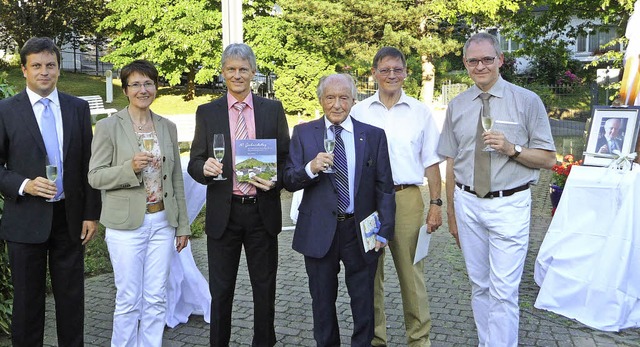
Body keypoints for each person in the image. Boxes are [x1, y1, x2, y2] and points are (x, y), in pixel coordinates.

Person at [437, 32, 556, 347]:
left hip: (509, 206)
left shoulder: (527, 101)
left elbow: (548, 159)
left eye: (487, 59)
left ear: (500, 60)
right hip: (467, 204)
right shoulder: (458, 105)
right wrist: (451, 214)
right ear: (465, 64)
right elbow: (451, 163)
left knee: (503, 291)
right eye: (473, 61)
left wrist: (512, 148)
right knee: (479, 286)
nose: (480, 66)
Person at [0, 37, 101, 346]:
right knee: (28, 305)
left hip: (69, 220)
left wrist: (91, 215)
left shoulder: (77, 108)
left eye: (50, 65)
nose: (44, 72)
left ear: (58, 69)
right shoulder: (5, 110)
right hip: (25, 220)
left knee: (71, 302)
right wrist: (24, 185)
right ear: (24, 70)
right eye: (37, 66)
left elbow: (88, 165)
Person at [188, 43, 290, 347]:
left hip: (262, 211)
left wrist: (276, 182)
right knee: (220, 292)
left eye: (243, 69)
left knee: (264, 288)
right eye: (231, 69)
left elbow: (285, 160)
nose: (237, 75)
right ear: (223, 73)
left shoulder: (273, 110)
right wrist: (203, 168)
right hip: (225, 212)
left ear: (253, 73)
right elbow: (194, 161)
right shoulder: (207, 112)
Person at [283, 73, 396, 346]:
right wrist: (310, 168)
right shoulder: (303, 133)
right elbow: (288, 179)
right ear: (321, 100)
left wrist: (385, 230)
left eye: (343, 98)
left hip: (360, 232)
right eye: (330, 98)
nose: (336, 104)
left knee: (363, 302)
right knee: (322, 302)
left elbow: (384, 186)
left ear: (353, 100)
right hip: (319, 231)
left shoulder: (373, 136)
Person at [88, 59, 190, 346]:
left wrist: (182, 225)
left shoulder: (167, 127)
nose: (143, 90)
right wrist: (128, 168)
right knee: (129, 299)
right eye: (135, 84)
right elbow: (94, 176)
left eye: (148, 83)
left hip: (162, 223)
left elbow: (176, 180)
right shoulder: (109, 126)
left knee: (157, 297)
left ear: (156, 87)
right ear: (125, 90)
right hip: (126, 225)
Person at [351, 46, 443, 347]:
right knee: (370, 277)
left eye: (398, 69)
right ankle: (376, 340)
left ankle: (419, 341)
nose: (392, 75)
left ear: (406, 73)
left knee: (411, 275)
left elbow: (431, 162)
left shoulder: (420, 112)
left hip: (406, 199)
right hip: (368, 202)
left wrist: (435, 205)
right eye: (385, 69)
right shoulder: (359, 111)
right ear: (374, 73)